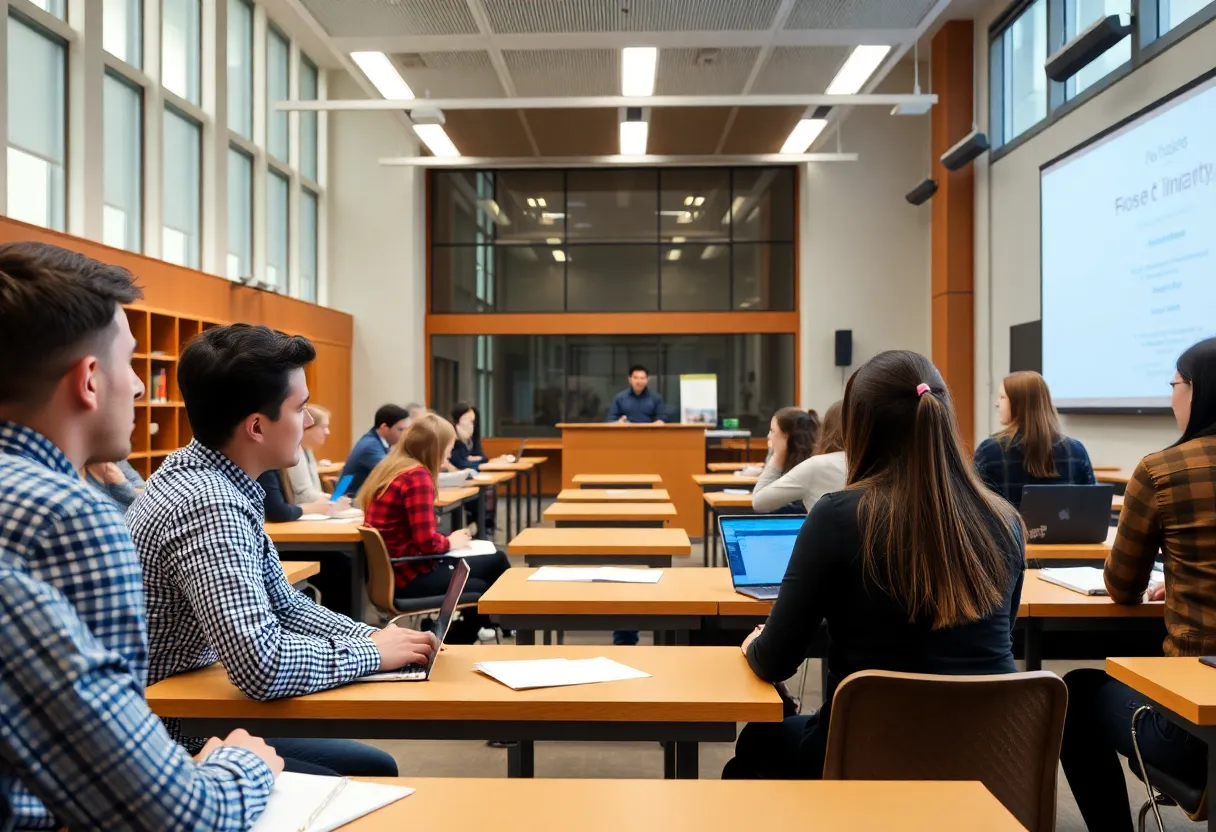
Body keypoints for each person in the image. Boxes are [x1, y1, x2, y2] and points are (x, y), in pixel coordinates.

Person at [0, 241, 281, 830]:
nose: (138, 386)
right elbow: (170, 816)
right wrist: (244, 763)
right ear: (89, 380)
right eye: (129, 364)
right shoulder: (69, 518)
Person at [129, 324, 437, 778]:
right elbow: (262, 665)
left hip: (197, 711)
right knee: (367, 774)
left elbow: (285, 606)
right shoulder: (208, 503)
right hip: (174, 737)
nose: (309, 422)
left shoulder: (213, 480)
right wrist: (373, 654)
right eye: (300, 408)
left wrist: (373, 638)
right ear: (256, 426)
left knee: (373, 766)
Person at [723, 350, 1025, 780]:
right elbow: (995, 633)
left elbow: (775, 661)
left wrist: (754, 644)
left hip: (864, 754)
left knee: (756, 743)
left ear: (859, 427)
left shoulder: (837, 516)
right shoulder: (1004, 519)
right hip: (986, 760)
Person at [1060, 337, 1216, 832]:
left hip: (1194, 730)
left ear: (1197, 391)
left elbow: (1123, 586)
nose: (1171, 396)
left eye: (1174, 384)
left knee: (1074, 694)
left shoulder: (1163, 470)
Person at [359, 412, 511, 643]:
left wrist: (448, 540)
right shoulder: (417, 476)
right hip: (411, 574)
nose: (449, 454)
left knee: (496, 561)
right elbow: (427, 543)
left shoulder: (393, 468)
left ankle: (459, 631)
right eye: (448, 448)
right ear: (434, 448)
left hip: (395, 572)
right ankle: (452, 638)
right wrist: (450, 542)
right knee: (485, 583)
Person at [974, 371, 1095, 508]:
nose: (997, 404)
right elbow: (1092, 506)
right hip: (1063, 523)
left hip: (1005, 523)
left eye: (1002, 397)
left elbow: (972, 505)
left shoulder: (989, 451)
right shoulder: (1076, 451)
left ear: (1019, 403)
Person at [752, 401, 847, 513]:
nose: (769, 436)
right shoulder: (855, 462)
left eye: (772, 431)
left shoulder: (815, 466)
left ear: (786, 436)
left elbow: (759, 502)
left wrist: (777, 455)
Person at [341, 403, 410, 495]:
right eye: (400, 430)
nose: (405, 435)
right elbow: (395, 473)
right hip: (351, 499)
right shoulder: (370, 446)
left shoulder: (378, 441)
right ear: (384, 428)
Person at [283, 403, 335, 506]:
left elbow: (313, 491)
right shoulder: (293, 452)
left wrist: (332, 500)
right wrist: (332, 500)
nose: (327, 432)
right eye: (323, 427)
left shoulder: (307, 449)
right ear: (307, 428)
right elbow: (305, 495)